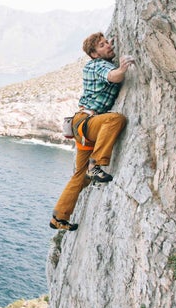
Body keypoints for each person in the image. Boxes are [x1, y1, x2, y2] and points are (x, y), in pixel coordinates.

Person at [50, 32, 135, 232]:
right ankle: (95, 164)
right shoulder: (99, 65)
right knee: (116, 119)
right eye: (102, 45)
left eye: (107, 42)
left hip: (82, 125)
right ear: (94, 54)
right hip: (88, 122)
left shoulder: (94, 62)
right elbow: (112, 76)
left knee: (79, 176)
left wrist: (107, 46)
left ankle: (59, 218)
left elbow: (105, 58)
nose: (108, 46)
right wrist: (122, 68)